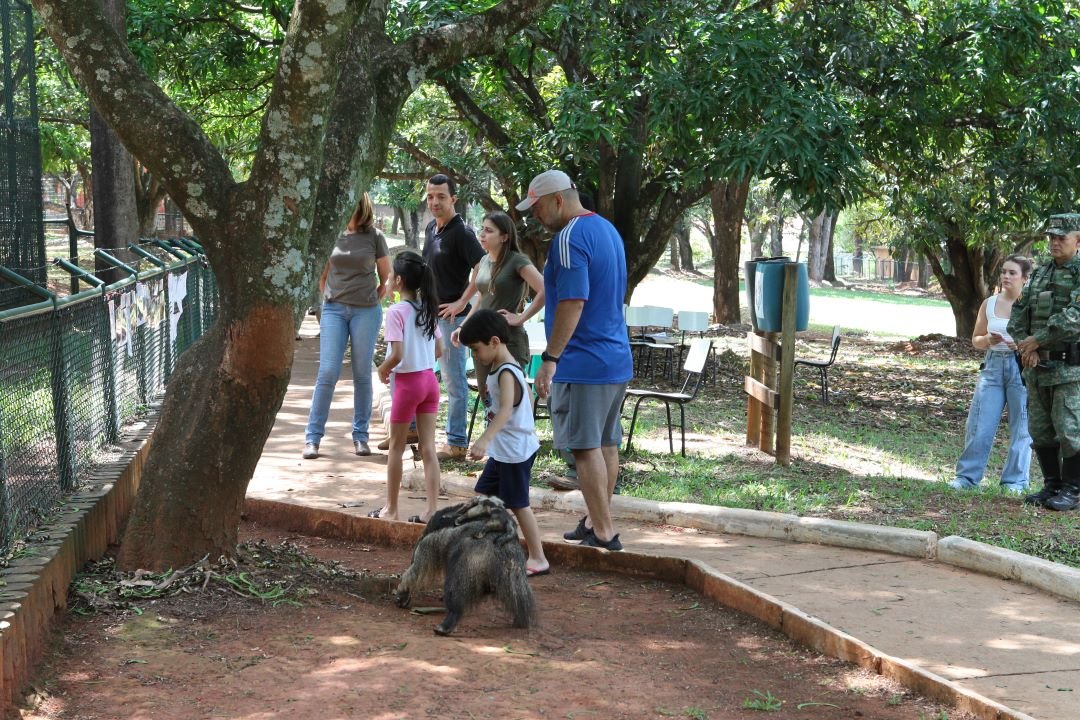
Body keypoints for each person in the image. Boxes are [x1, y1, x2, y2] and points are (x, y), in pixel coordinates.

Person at [518, 170, 634, 551]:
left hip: (583, 360)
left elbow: (572, 301)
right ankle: (594, 521)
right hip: (614, 357)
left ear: (557, 200)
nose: (535, 216)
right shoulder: (607, 230)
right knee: (606, 444)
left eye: (536, 208)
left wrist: (551, 357)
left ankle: (604, 531)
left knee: (585, 447)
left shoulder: (568, 239)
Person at [459, 309, 550, 576]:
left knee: (519, 505)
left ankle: (538, 557)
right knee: (482, 499)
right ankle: (483, 550)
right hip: (504, 451)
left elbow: (507, 410)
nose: (475, 356)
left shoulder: (506, 372)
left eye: (476, 349)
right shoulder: (501, 368)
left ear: (495, 341)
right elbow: (527, 401)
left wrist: (484, 439)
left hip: (514, 453)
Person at [302, 192, 390, 459]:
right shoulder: (333, 233)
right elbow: (323, 274)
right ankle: (313, 438)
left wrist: (375, 297)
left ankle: (360, 436)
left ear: (360, 204)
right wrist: (328, 296)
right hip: (334, 310)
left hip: (366, 311)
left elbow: (387, 276)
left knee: (362, 372)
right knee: (328, 371)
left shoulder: (375, 237)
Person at [1009, 213, 1080, 511]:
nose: (1054, 242)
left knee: (1069, 430)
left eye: (1061, 237)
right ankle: (1051, 485)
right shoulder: (1039, 273)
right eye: (1051, 237)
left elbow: (1075, 317)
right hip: (1036, 365)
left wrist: (1037, 339)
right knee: (1040, 429)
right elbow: (1018, 311)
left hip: (1068, 368)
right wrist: (1028, 345)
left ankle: (1073, 490)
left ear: (1078, 240)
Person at [370, 252, 443, 523]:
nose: (387, 280)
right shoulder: (426, 308)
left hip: (407, 383)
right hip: (429, 381)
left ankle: (391, 508)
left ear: (399, 281)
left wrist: (382, 368)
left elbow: (397, 355)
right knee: (428, 448)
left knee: (397, 448)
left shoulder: (396, 312)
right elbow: (439, 349)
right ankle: (432, 510)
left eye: (389, 277)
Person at [950, 255, 1032, 492]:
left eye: (1012, 273)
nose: (1006, 276)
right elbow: (976, 339)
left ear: (1024, 278)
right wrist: (987, 339)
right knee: (980, 423)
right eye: (1004, 272)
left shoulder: (1031, 305)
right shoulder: (990, 303)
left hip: (1021, 367)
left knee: (1023, 426)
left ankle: (1015, 481)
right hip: (993, 367)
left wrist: (1023, 345)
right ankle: (967, 478)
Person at [450, 211, 545, 403]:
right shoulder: (484, 261)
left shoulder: (517, 260)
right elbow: (480, 298)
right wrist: (463, 326)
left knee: (511, 400)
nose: (482, 235)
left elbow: (546, 290)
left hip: (509, 340)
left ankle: (519, 433)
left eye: (489, 231)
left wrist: (520, 317)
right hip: (481, 341)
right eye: (482, 229)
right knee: (489, 399)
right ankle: (492, 433)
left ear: (504, 236)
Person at [422, 174, 486, 461]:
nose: (434, 202)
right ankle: (413, 430)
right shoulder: (430, 229)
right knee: (420, 374)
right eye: (430, 196)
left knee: (454, 381)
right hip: (429, 317)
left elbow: (483, 268)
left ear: (454, 199)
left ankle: (457, 442)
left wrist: (462, 301)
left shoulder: (463, 233)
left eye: (441, 197)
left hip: (453, 320)